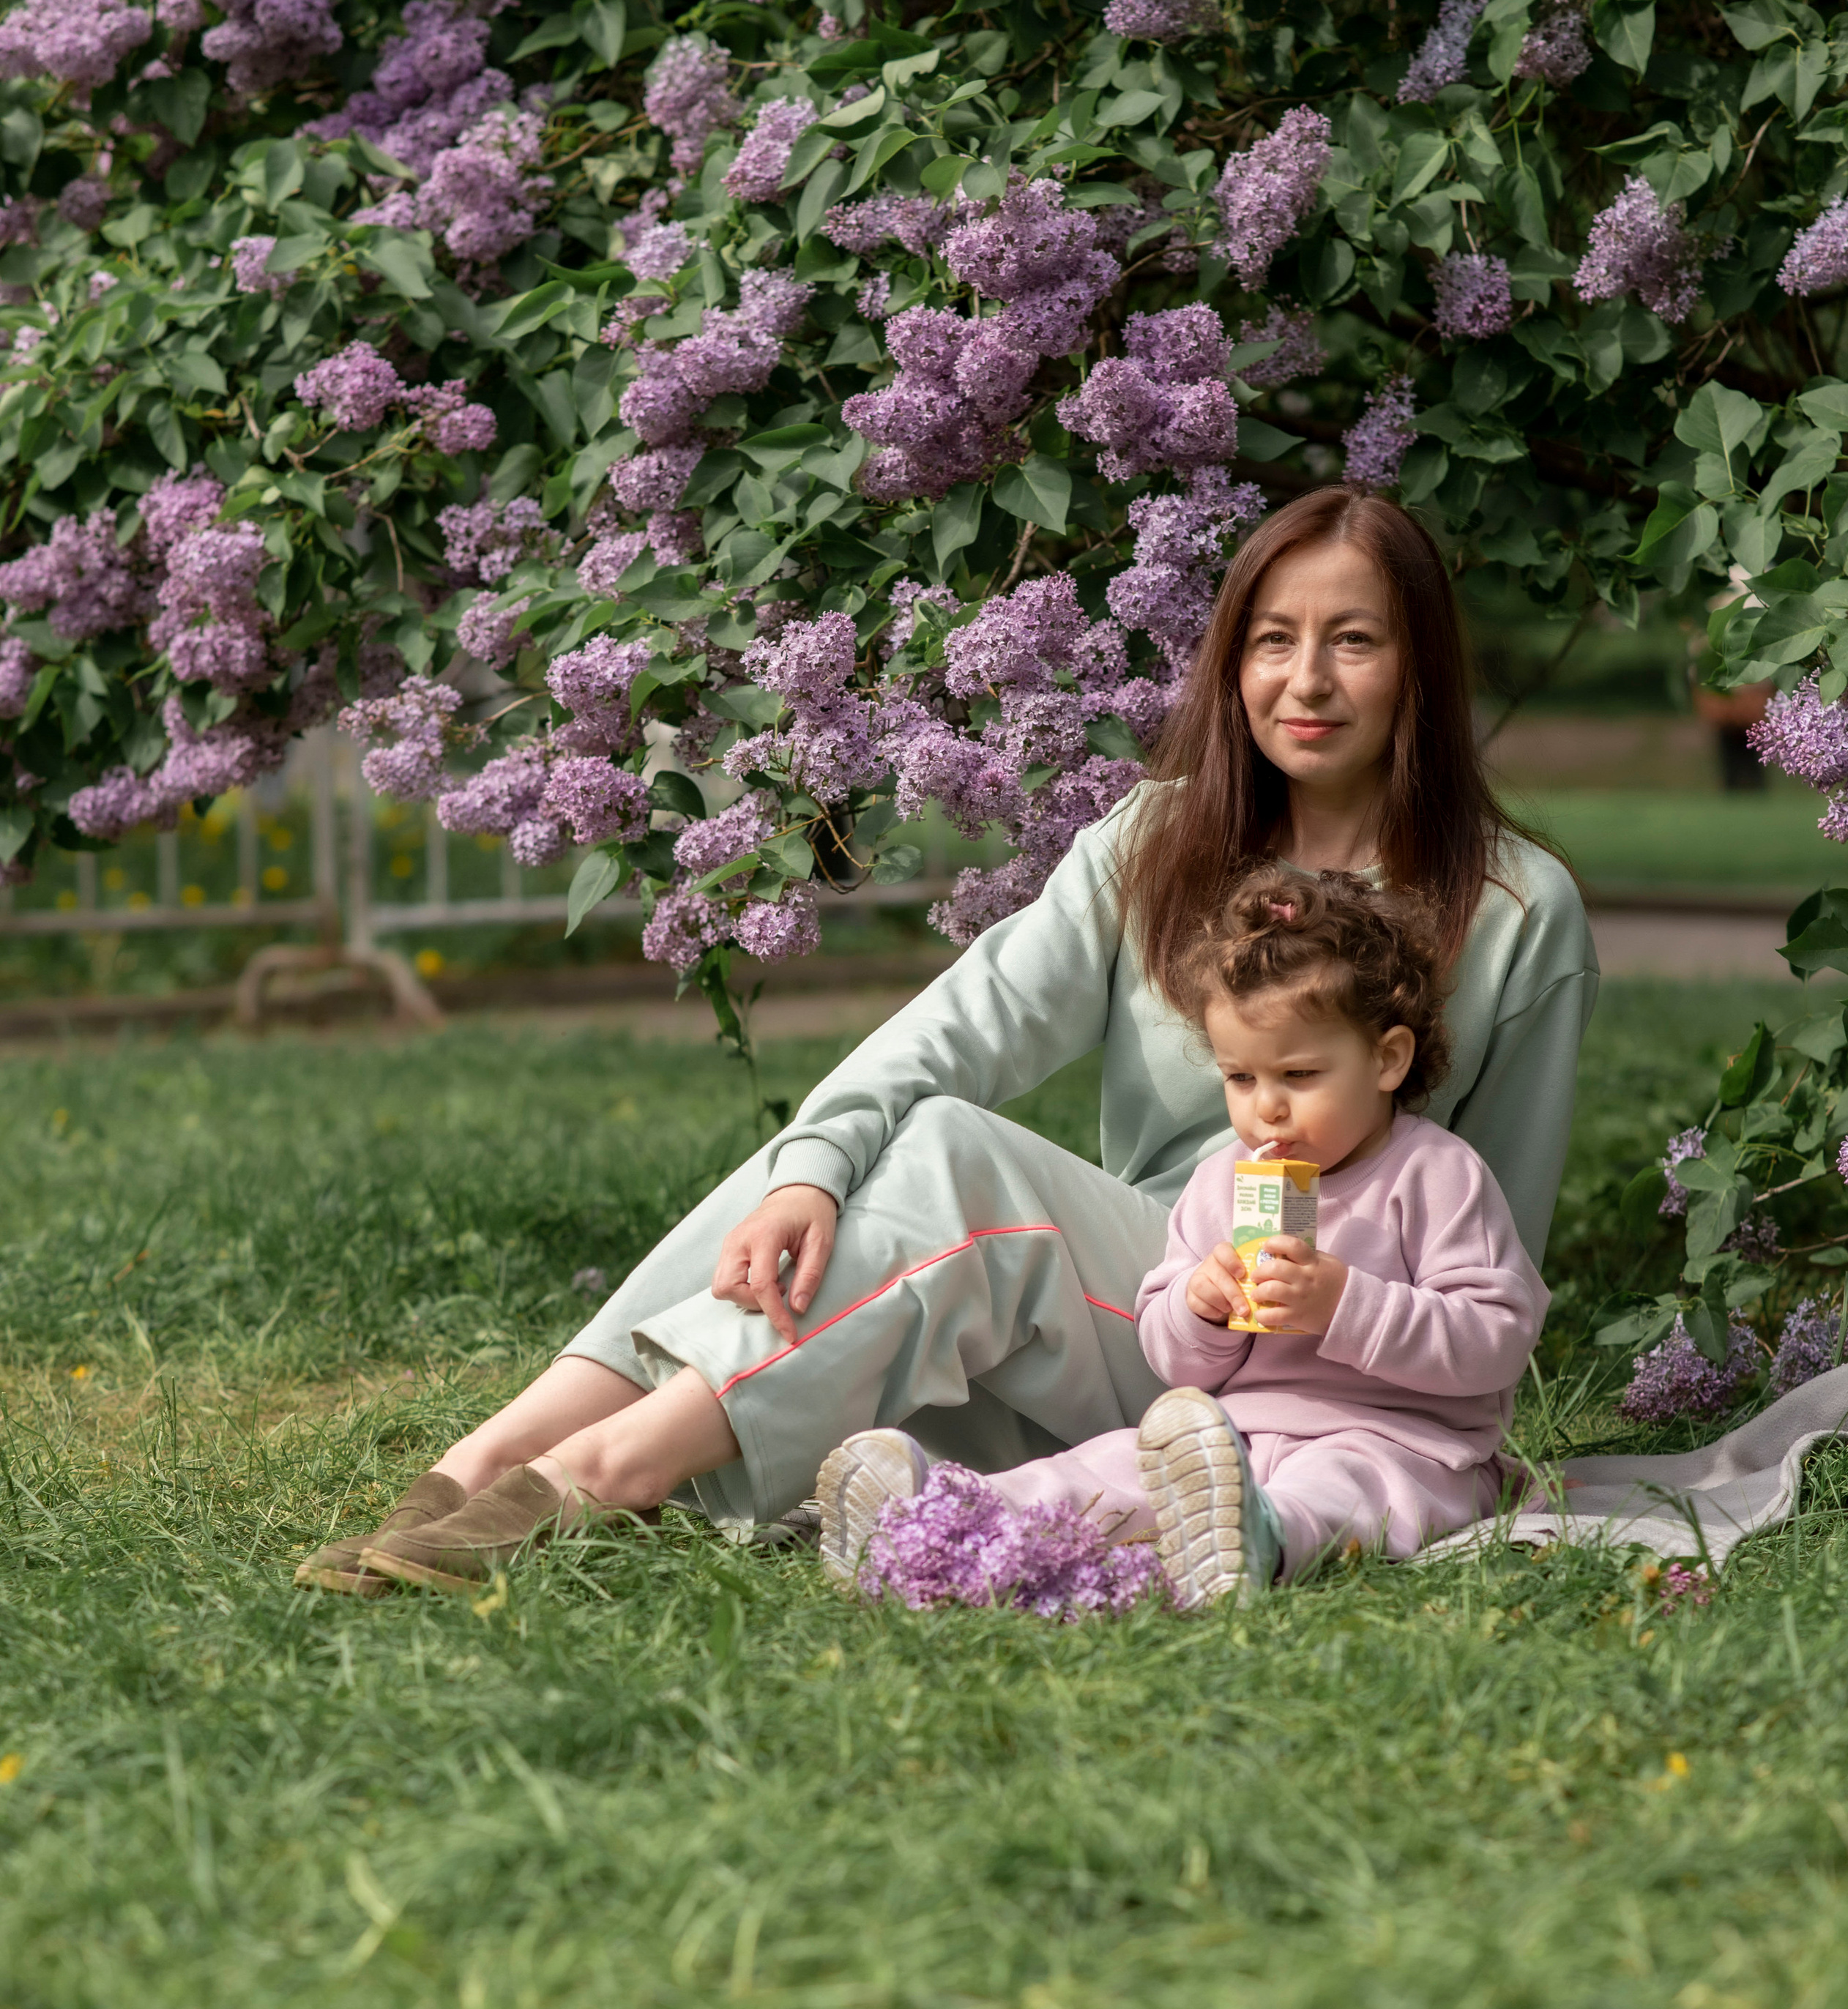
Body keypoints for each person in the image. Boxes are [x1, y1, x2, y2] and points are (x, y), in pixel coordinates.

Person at [296, 487, 1598, 1598]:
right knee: (858, 1148)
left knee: (959, 1163)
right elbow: (949, 1033)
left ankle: (604, 1473)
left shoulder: (1517, 909)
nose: (1305, 681)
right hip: (1143, 1312)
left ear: (1417, 663)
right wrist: (808, 1166)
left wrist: (1356, 1354)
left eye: (1353, 640)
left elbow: (1495, 1238)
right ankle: (477, 1468)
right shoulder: (1155, 842)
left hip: (1311, 1366)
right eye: (1272, 639)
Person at [813, 868, 1549, 1609]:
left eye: (1299, 1074)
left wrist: (1345, 1304)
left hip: (1401, 1444)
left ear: (1387, 1059)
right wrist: (1199, 1310)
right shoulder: (1223, 1182)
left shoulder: (1434, 1174)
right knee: (1104, 1470)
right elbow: (1169, 1356)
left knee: (1340, 1493)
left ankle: (1257, 1540)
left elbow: (1498, 1337)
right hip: (1235, 1437)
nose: (1267, 1109)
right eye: (1239, 1078)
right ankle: (934, 1516)